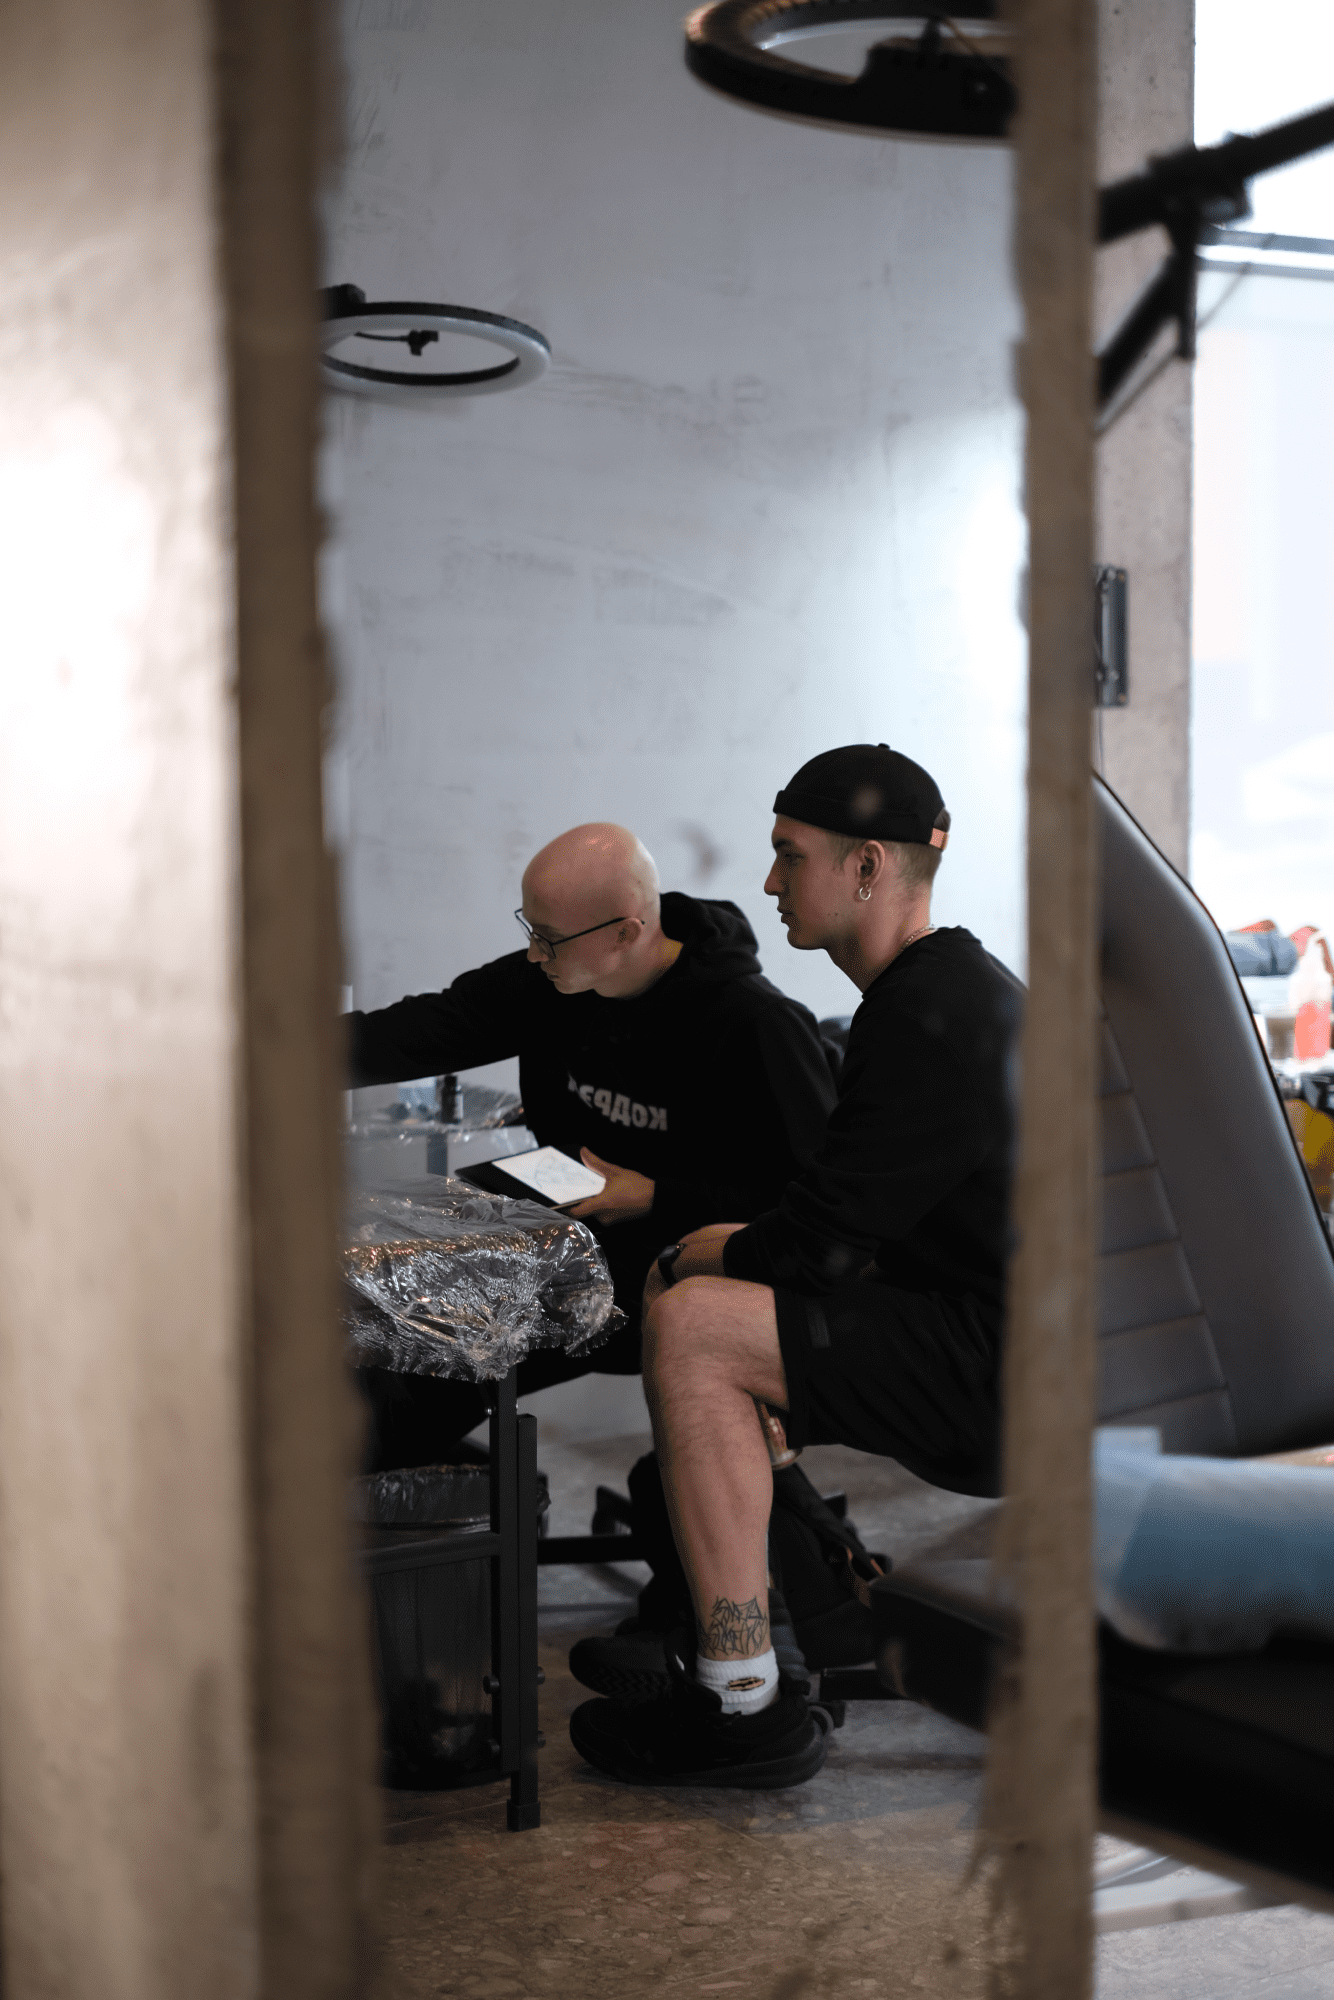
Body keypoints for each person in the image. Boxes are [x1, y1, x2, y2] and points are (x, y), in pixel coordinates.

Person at [568, 744, 1021, 1790]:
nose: (769, 881)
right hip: (993, 1334)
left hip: (1004, 1372)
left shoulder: (926, 1011)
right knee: (714, 1303)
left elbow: (820, 1243)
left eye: (789, 854)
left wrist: (692, 1248)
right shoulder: (945, 990)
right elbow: (845, 1219)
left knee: (693, 1323)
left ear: (866, 866)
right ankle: (744, 1627)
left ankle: (739, 1704)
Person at [346, 821, 838, 1463]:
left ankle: (385, 1470)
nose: (534, 955)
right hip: (566, 1201)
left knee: (441, 1349)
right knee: (375, 1273)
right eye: (530, 931)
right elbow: (424, 1028)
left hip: (674, 1249)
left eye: (549, 939)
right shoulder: (550, 980)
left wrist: (656, 1195)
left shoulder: (755, 1026)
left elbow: (815, 1208)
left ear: (626, 933)